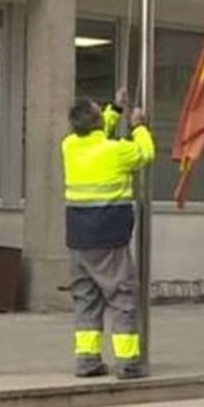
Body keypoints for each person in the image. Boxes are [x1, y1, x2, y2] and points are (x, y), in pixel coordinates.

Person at [61, 87, 155, 380]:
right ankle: (127, 362)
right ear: (97, 121)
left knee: (86, 298)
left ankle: (87, 361)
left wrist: (115, 107)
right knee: (122, 295)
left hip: (78, 237)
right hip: (109, 236)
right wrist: (139, 125)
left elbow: (98, 131)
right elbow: (146, 154)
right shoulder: (118, 151)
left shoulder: (69, 146)